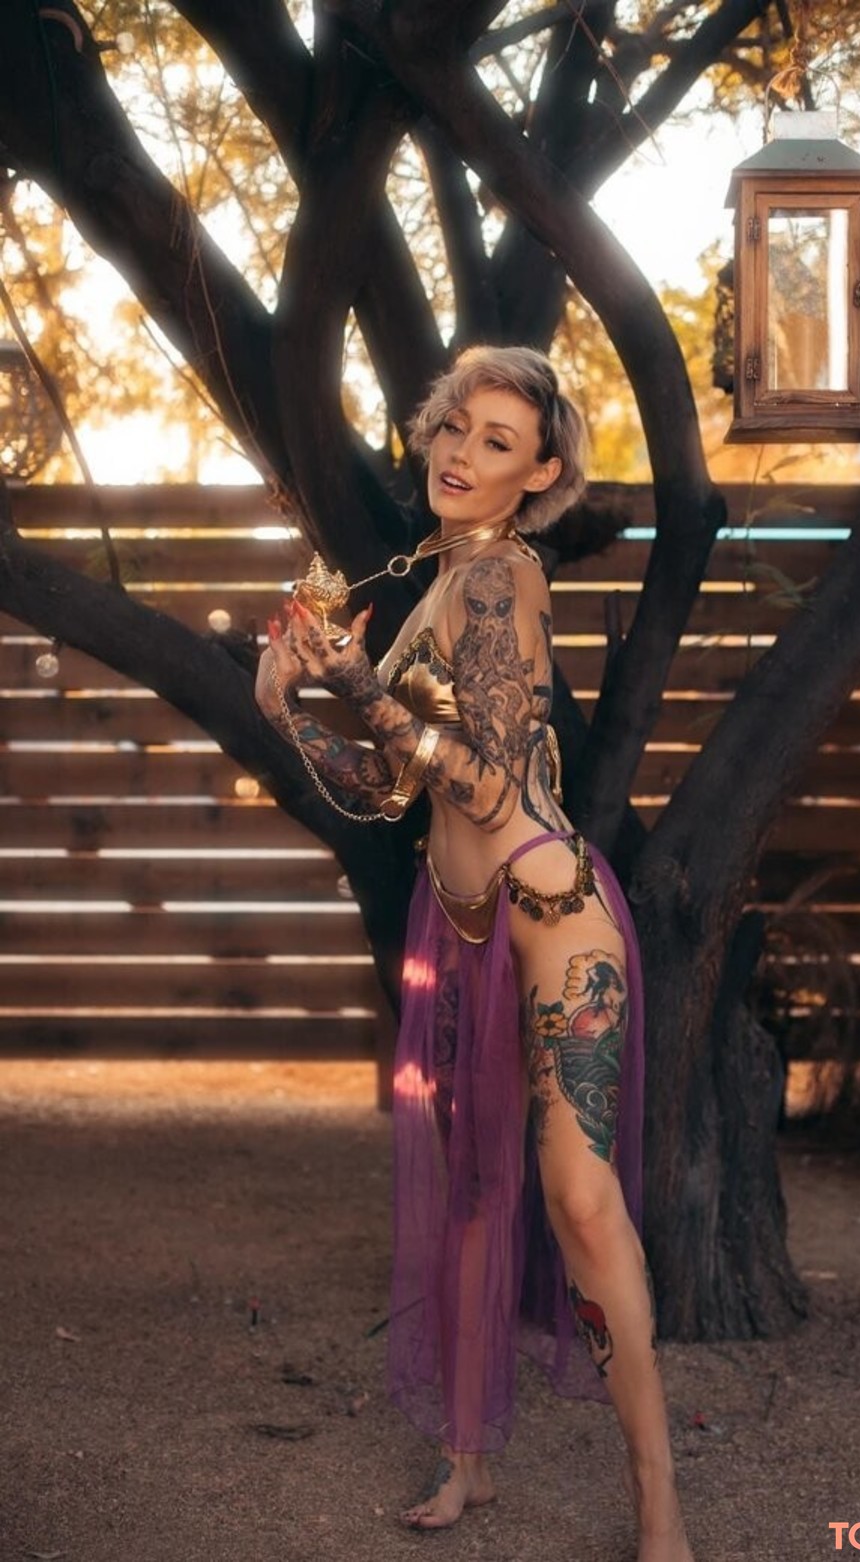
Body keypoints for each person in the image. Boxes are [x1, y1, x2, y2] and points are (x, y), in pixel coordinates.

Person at [255, 346, 695, 1561]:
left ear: (540, 473)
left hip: (549, 914)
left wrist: (358, 679)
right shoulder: (438, 584)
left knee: (578, 1200)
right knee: (472, 1198)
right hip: (456, 918)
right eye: (454, 424)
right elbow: (387, 788)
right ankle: (469, 1461)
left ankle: (659, 1503)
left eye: (497, 440)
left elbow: (492, 785)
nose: (460, 451)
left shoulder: (501, 579)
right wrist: (286, 704)